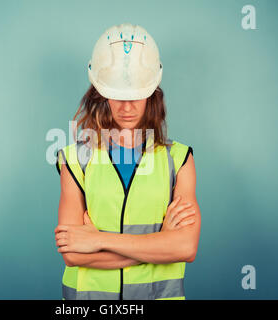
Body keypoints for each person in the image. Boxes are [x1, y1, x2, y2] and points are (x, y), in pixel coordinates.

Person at [54, 23, 201, 300]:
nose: (127, 106)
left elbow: (185, 247)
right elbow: (72, 252)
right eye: (118, 95)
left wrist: (97, 240)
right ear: (101, 92)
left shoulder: (179, 160)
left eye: (136, 95)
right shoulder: (74, 161)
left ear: (152, 93)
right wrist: (158, 245)